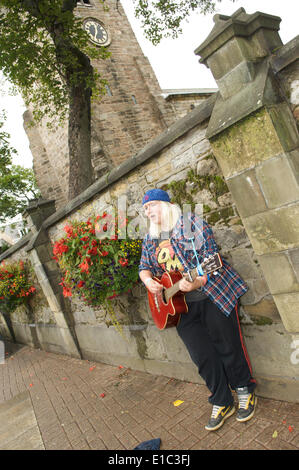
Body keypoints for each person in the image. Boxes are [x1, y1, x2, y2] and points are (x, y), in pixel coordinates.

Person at [139, 188, 257, 431]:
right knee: (201, 355)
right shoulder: (150, 238)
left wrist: (197, 281)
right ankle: (222, 400)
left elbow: (211, 258)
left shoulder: (191, 223)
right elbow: (144, 266)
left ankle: (244, 389)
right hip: (179, 308)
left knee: (228, 344)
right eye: (144, 209)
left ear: (166, 204)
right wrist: (149, 281)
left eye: (151, 206)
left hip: (211, 294)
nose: (147, 211)